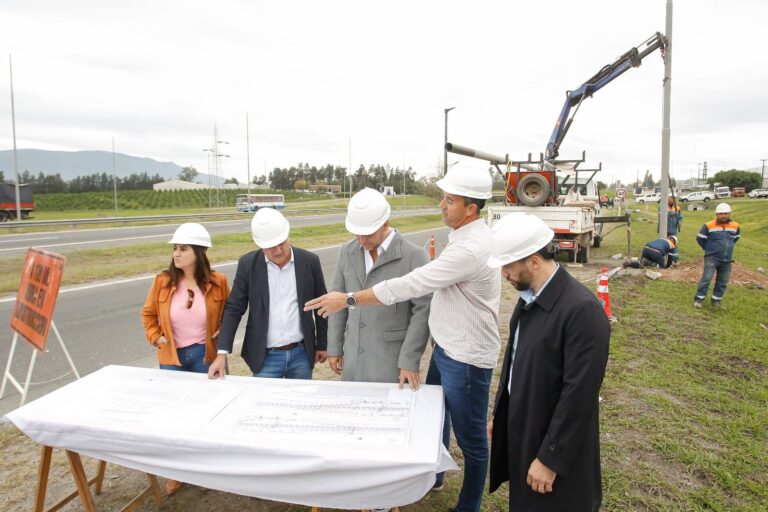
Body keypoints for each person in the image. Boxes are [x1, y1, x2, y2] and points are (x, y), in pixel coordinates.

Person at [306, 164, 501, 512]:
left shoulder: (463, 250)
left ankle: (467, 505)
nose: (441, 205)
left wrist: (351, 299)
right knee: (434, 418)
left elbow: (412, 290)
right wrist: (335, 345)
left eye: (449, 200)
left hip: (466, 356)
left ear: (471, 208)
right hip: (445, 349)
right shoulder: (460, 237)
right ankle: (433, 477)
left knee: (470, 441)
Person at [486, 212, 610, 512]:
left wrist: (550, 458)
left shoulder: (582, 311)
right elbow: (517, 366)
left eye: (508, 265)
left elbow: (578, 397)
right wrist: (502, 415)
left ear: (533, 261)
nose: (504, 274)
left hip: (552, 444)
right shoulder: (530, 298)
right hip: (526, 427)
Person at [140, 222, 230, 496]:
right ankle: (176, 472)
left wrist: (221, 332)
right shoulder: (162, 282)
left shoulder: (218, 282)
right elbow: (148, 315)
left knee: (206, 415)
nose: (176, 254)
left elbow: (230, 313)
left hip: (205, 356)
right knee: (175, 416)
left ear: (199, 253)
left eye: (183, 249)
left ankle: (203, 470)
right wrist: (157, 337)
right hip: (172, 357)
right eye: (175, 249)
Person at [327, 188, 431, 388]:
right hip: (353, 360)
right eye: (357, 234)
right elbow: (337, 303)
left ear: (385, 223)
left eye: (367, 234)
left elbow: (422, 312)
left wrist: (410, 360)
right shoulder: (346, 253)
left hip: (390, 361)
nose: (362, 240)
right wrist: (334, 347)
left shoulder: (414, 256)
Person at [208, 208, 328, 380]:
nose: (278, 250)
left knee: (300, 404)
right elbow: (234, 308)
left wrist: (322, 344)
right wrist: (221, 354)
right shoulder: (248, 265)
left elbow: (321, 306)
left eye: (282, 243)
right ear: (260, 245)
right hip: (265, 358)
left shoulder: (309, 261)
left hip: (301, 355)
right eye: (271, 247)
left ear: (288, 235)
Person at [694, 202, 740, 309]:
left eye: (725, 213)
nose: (723, 216)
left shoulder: (735, 226)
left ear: (729, 214)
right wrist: (708, 249)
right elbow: (700, 238)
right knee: (706, 278)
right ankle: (699, 299)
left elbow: (736, 238)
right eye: (720, 214)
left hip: (727, 259)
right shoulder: (708, 225)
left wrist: (727, 248)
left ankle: (716, 301)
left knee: (723, 281)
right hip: (712, 258)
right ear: (716, 214)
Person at [658, 195, 683, 264]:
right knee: (664, 243)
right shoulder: (662, 207)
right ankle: (663, 259)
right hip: (664, 229)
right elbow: (660, 217)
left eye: (674, 198)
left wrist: (679, 223)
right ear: (668, 198)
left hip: (673, 229)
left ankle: (675, 259)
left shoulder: (677, 208)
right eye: (671, 198)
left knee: (674, 244)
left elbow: (680, 217)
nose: (672, 199)